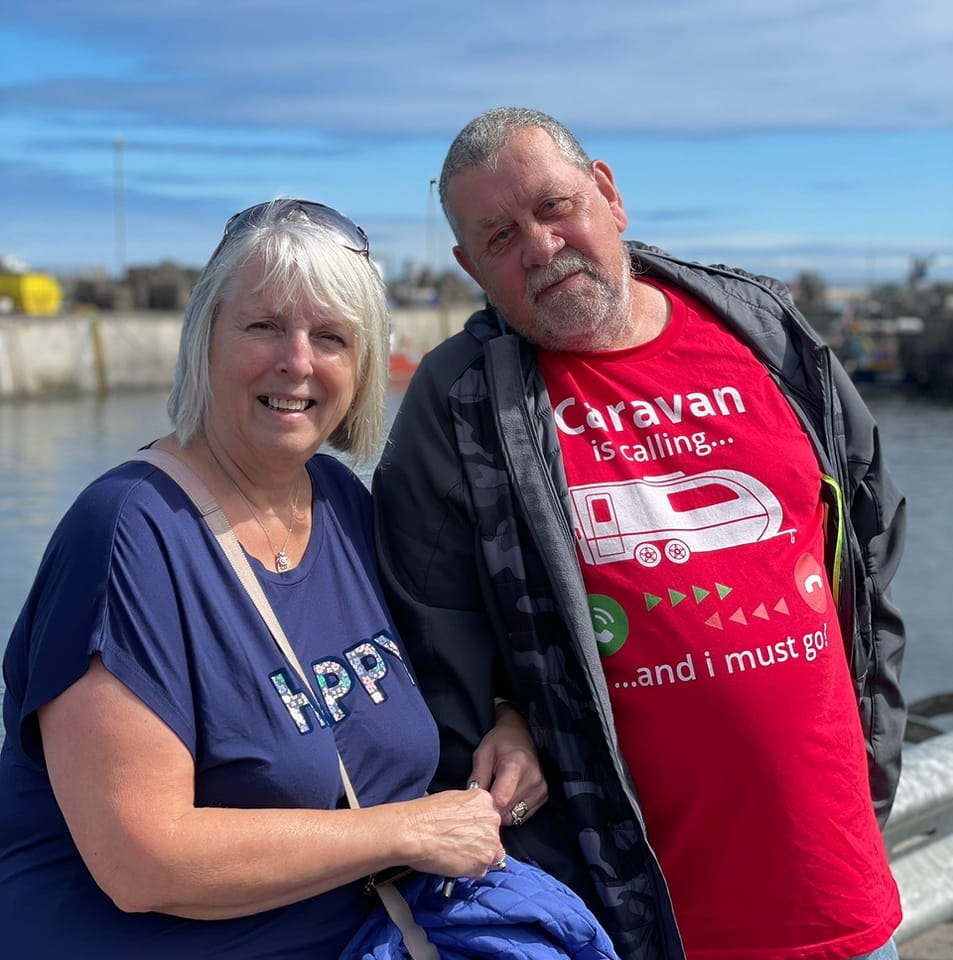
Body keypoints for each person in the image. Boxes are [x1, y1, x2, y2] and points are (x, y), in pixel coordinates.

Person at [373, 108, 908, 960]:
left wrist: (872, 753)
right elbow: (426, 636)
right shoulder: (461, 403)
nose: (542, 247)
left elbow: (868, 551)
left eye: (555, 206)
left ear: (609, 194)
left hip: (838, 895)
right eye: (500, 236)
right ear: (469, 267)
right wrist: (504, 714)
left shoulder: (763, 332)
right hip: (634, 921)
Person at [0, 198, 512, 957]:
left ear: (363, 365)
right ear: (204, 337)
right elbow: (142, 862)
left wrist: (507, 724)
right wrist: (406, 829)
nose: (297, 362)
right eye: (264, 326)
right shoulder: (126, 534)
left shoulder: (342, 504)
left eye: (331, 337)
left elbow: (425, 678)